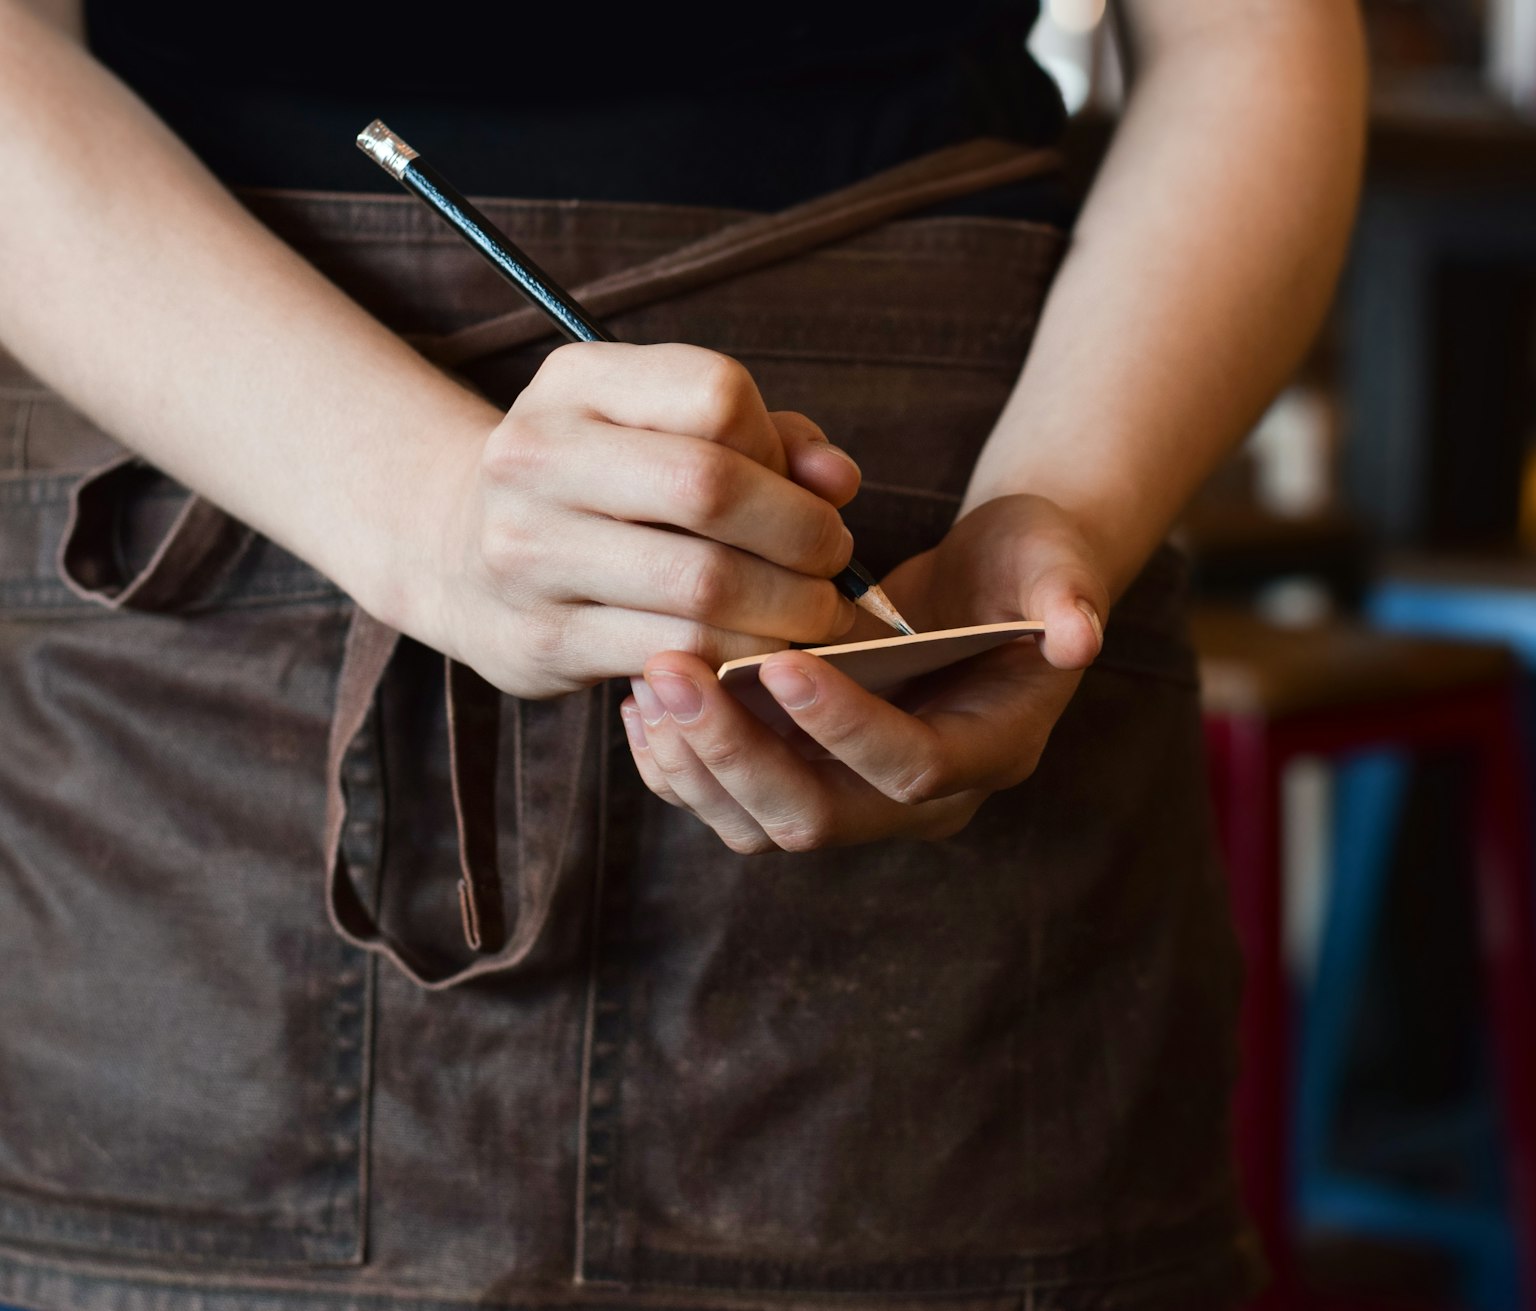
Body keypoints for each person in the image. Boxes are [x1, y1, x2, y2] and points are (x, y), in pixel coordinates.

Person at [0, 2, 1364, 1310]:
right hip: (203, 630)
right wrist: (423, 513)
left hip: (941, 564)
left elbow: (1250, 37)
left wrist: (1064, 505)